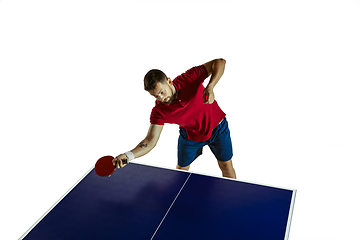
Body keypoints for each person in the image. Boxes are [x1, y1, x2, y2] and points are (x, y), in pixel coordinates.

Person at [113, 58, 236, 179]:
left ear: (169, 81)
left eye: (162, 92)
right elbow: (150, 141)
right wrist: (128, 156)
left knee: (226, 165)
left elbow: (220, 62)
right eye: (155, 96)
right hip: (190, 136)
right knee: (181, 171)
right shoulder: (159, 111)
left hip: (218, 128)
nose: (161, 98)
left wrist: (210, 86)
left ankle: (233, 196)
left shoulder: (188, 79)